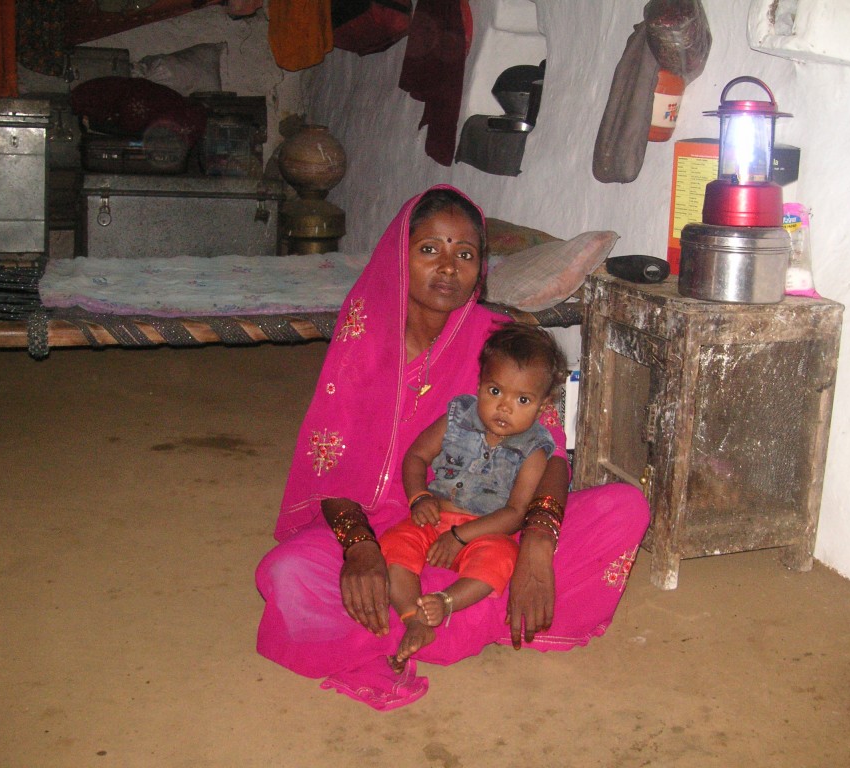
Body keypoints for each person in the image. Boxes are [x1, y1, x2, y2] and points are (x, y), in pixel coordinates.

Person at [255, 185, 649, 710]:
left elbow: (552, 453)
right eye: (429, 250)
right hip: (389, 526)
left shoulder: (500, 343)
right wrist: (360, 547)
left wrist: (537, 544)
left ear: (480, 267)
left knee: (626, 507)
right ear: (401, 254)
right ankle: (455, 614)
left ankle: (432, 610)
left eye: (464, 253)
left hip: (492, 530)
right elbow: (333, 469)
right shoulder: (363, 337)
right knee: (286, 573)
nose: (447, 267)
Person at [382, 324, 565, 668]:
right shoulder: (457, 418)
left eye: (522, 400)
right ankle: (413, 618)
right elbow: (417, 456)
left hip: (484, 532)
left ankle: (446, 601)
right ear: (479, 384)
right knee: (395, 543)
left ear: (543, 406)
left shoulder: (534, 451)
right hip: (433, 517)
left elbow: (515, 512)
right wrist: (419, 496)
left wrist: (460, 537)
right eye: (495, 390)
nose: (504, 407)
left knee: (501, 558)